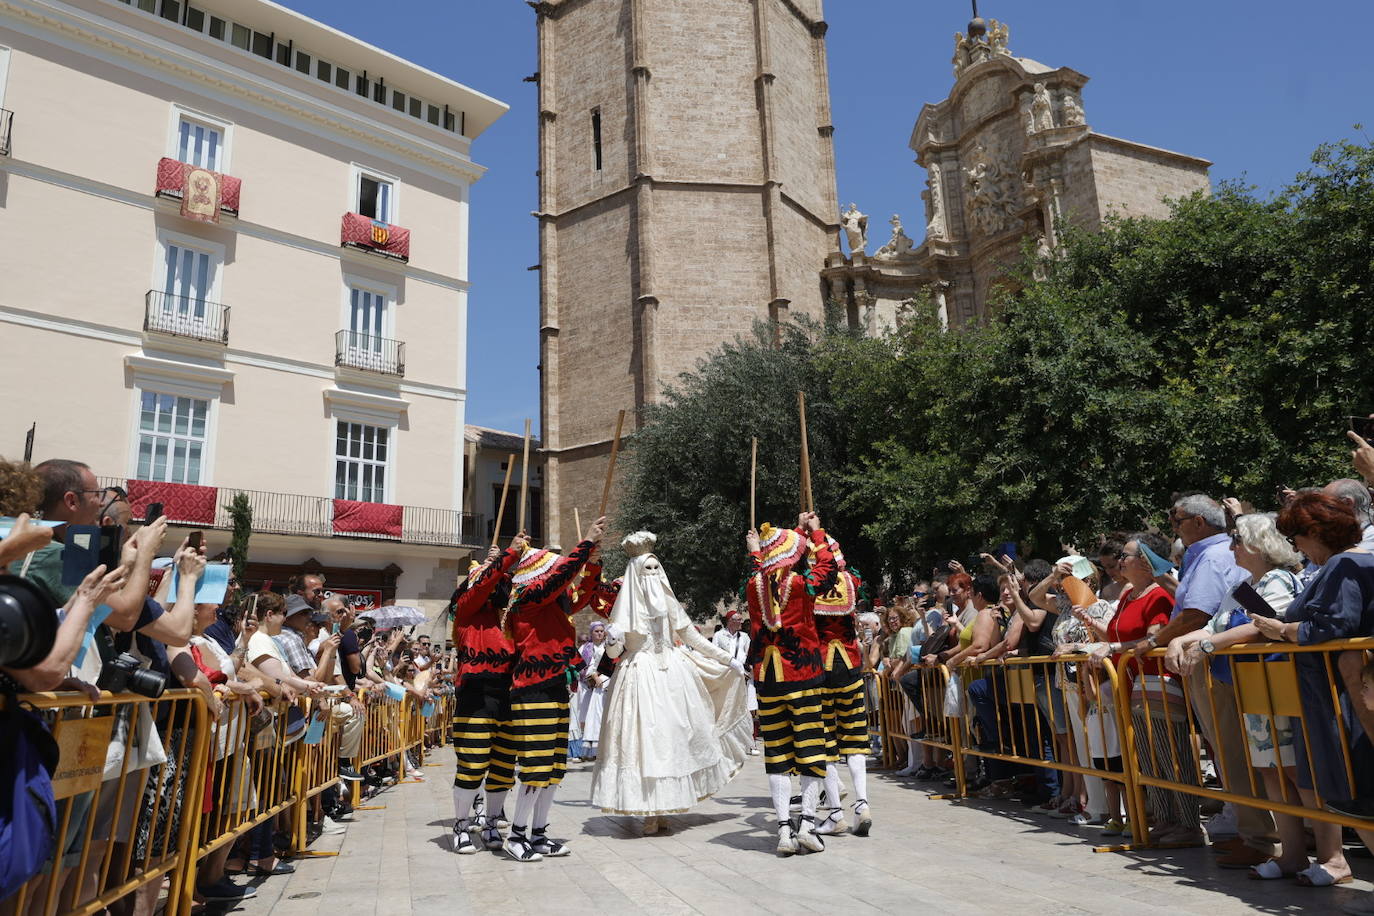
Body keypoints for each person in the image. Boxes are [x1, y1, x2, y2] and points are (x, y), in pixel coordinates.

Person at [1247, 491, 1374, 887]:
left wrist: (1282, 629)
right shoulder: (1354, 562)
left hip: (1341, 698)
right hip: (1340, 693)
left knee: (1356, 790)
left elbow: (1332, 626)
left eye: (1295, 538)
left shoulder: (1343, 564)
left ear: (1315, 532)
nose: (1295, 547)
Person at [589, 531, 751, 834]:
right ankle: (650, 810)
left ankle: (665, 807)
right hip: (638, 677)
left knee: (672, 740)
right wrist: (612, 640)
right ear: (635, 572)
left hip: (672, 677)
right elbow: (613, 653)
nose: (652, 573)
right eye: (646, 569)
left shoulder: (668, 602)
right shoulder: (623, 610)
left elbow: (692, 637)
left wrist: (727, 659)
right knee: (645, 743)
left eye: (656, 567)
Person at [499, 517, 606, 862]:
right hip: (532, 688)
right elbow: (560, 577)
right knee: (536, 765)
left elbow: (580, 595)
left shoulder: (550, 600)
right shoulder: (528, 596)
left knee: (555, 768)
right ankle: (516, 835)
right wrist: (585, 543)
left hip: (556, 685)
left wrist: (593, 564)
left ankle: (539, 834)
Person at [744, 512, 837, 856]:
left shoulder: (752, 585)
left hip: (768, 679)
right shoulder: (800, 584)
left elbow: (765, 570)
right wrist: (817, 532)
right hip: (802, 675)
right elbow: (827, 569)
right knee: (812, 750)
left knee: (778, 753)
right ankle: (808, 826)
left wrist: (757, 551)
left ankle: (784, 830)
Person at [810, 534, 873, 837]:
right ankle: (862, 804)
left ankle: (835, 813)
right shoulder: (851, 581)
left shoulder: (810, 586)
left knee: (825, 740)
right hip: (850, 665)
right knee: (855, 736)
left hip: (821, 667)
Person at [712, 610, 758, 753]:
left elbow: (749, 654)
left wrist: (749, 669)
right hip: (726, 676)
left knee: (746, 709)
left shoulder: (744, 636)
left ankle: (749, 744)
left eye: (740, 619)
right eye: (738, 619)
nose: (740, 622)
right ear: (730, 621)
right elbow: (713, 654)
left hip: (743, 676)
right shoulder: (719, 635)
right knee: (726, 709)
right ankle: (723, 743)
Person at [575, 621, 612, 763]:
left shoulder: (608, 646)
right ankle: (585, 750)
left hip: (603, 685)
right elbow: (579, 666)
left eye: (602, 631)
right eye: (596, 631)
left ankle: (602, 748)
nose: (600, 633)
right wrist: (589, 677)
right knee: (586, 717)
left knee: (601, 716)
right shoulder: (585, 648)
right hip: (587, 687)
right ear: (591, 633)